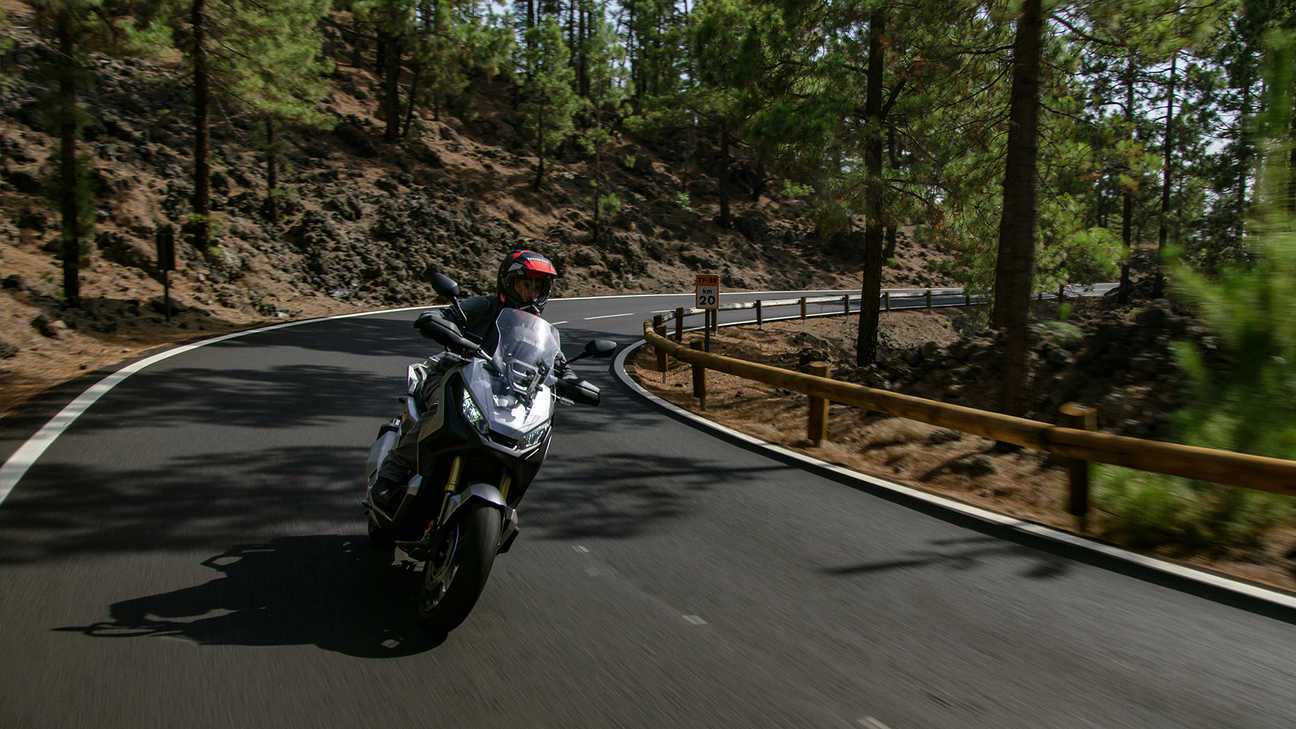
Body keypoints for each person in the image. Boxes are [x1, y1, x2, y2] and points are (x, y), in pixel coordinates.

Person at [370, 249, 559, 515]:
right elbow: (444, 317)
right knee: (438, 411)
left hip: (501, 395)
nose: (531, 294)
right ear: (508, 283)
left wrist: (571, 378)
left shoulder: (539, 331)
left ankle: (506, 502)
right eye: (525, 284)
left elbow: (556, 362)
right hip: (454, 375)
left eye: (538, 287)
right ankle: (390, 476)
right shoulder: (485, 306)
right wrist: (445, 328)